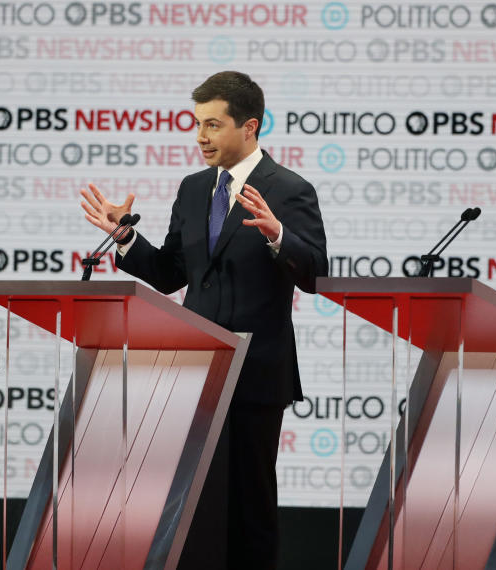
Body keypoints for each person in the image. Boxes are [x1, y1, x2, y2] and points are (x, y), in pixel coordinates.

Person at [80, 70, 327, 569]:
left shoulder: (289, 188)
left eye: (213, 125)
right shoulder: (193, 189)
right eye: (197, 124)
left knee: (251, 507)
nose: (200, 137)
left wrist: (281, 236)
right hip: (196, 372)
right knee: (195, 505)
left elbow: (316, 273)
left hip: (256, 373)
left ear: (250, 127)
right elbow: (172, 273)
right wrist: (125, 239)